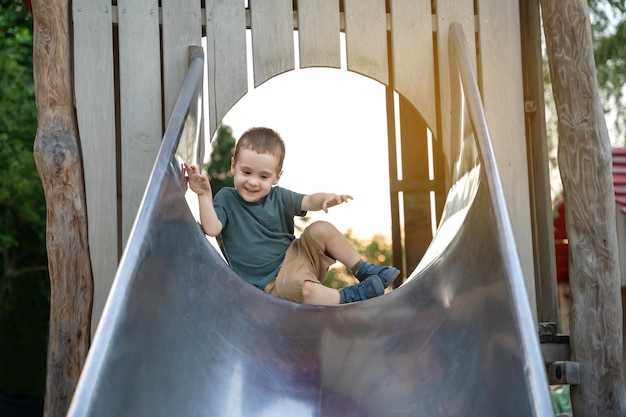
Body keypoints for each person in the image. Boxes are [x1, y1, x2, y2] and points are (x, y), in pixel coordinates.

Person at [184, 127, 400, 305]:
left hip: (296, 256)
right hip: (273, 282)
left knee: (320, 228)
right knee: (307, 290)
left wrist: (326, 198)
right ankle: (351, 297)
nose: (253, 181)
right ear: (234, 166)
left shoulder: (279, 197)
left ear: (276, 177)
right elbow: (212, 229)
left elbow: (308, 200)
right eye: (246, 172)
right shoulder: (227, 198)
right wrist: (204, 194)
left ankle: (364, 269)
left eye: (264, 176)